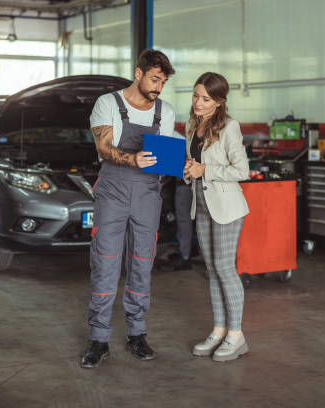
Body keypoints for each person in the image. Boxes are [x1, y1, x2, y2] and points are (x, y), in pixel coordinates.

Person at [81, 50, 176, 369]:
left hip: (148, 192)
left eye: (163, 81)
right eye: (154, 79)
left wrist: (182, 163)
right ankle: (98, 338)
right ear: (138, 73)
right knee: (106, 261)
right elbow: (104, 149)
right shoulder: (108, 104)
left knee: (141, 262)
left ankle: (136, 333)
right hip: (113, 190)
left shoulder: (166, 111)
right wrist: (132, 158)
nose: (158, 87)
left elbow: (165, 158)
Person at [183, 72, 250, 362]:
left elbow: (242, 171)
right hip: (203, 205)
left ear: (219, 102)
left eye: (206, 99)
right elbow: (194, 166)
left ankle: (236, 335)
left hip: (227, 208)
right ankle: (219, 329)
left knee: (224, 267)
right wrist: (189, 172)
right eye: (196, 95)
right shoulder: (192, 125)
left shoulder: (229, 127)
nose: (198, 102)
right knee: (211, 268)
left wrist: (205, 171)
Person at [160, 178, 194, 271]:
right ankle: (185, 251)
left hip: (188, 178)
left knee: (184, 216)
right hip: (189, 178)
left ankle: (184, 256)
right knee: (184, 216)